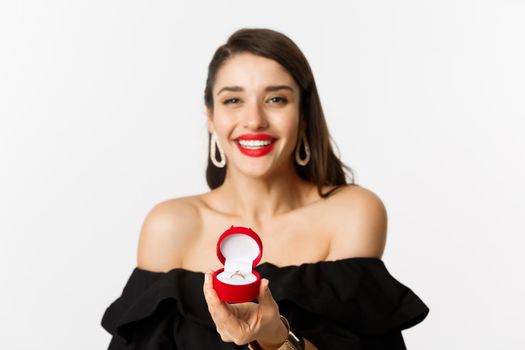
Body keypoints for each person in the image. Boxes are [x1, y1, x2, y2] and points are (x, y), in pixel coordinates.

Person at [101, 28, 429, 350]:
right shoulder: (169, 226)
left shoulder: (351, 214)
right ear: (211, 117)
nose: (254, 119)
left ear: (303, 115)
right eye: (233, 100)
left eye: (276, 99)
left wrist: (275, 338)